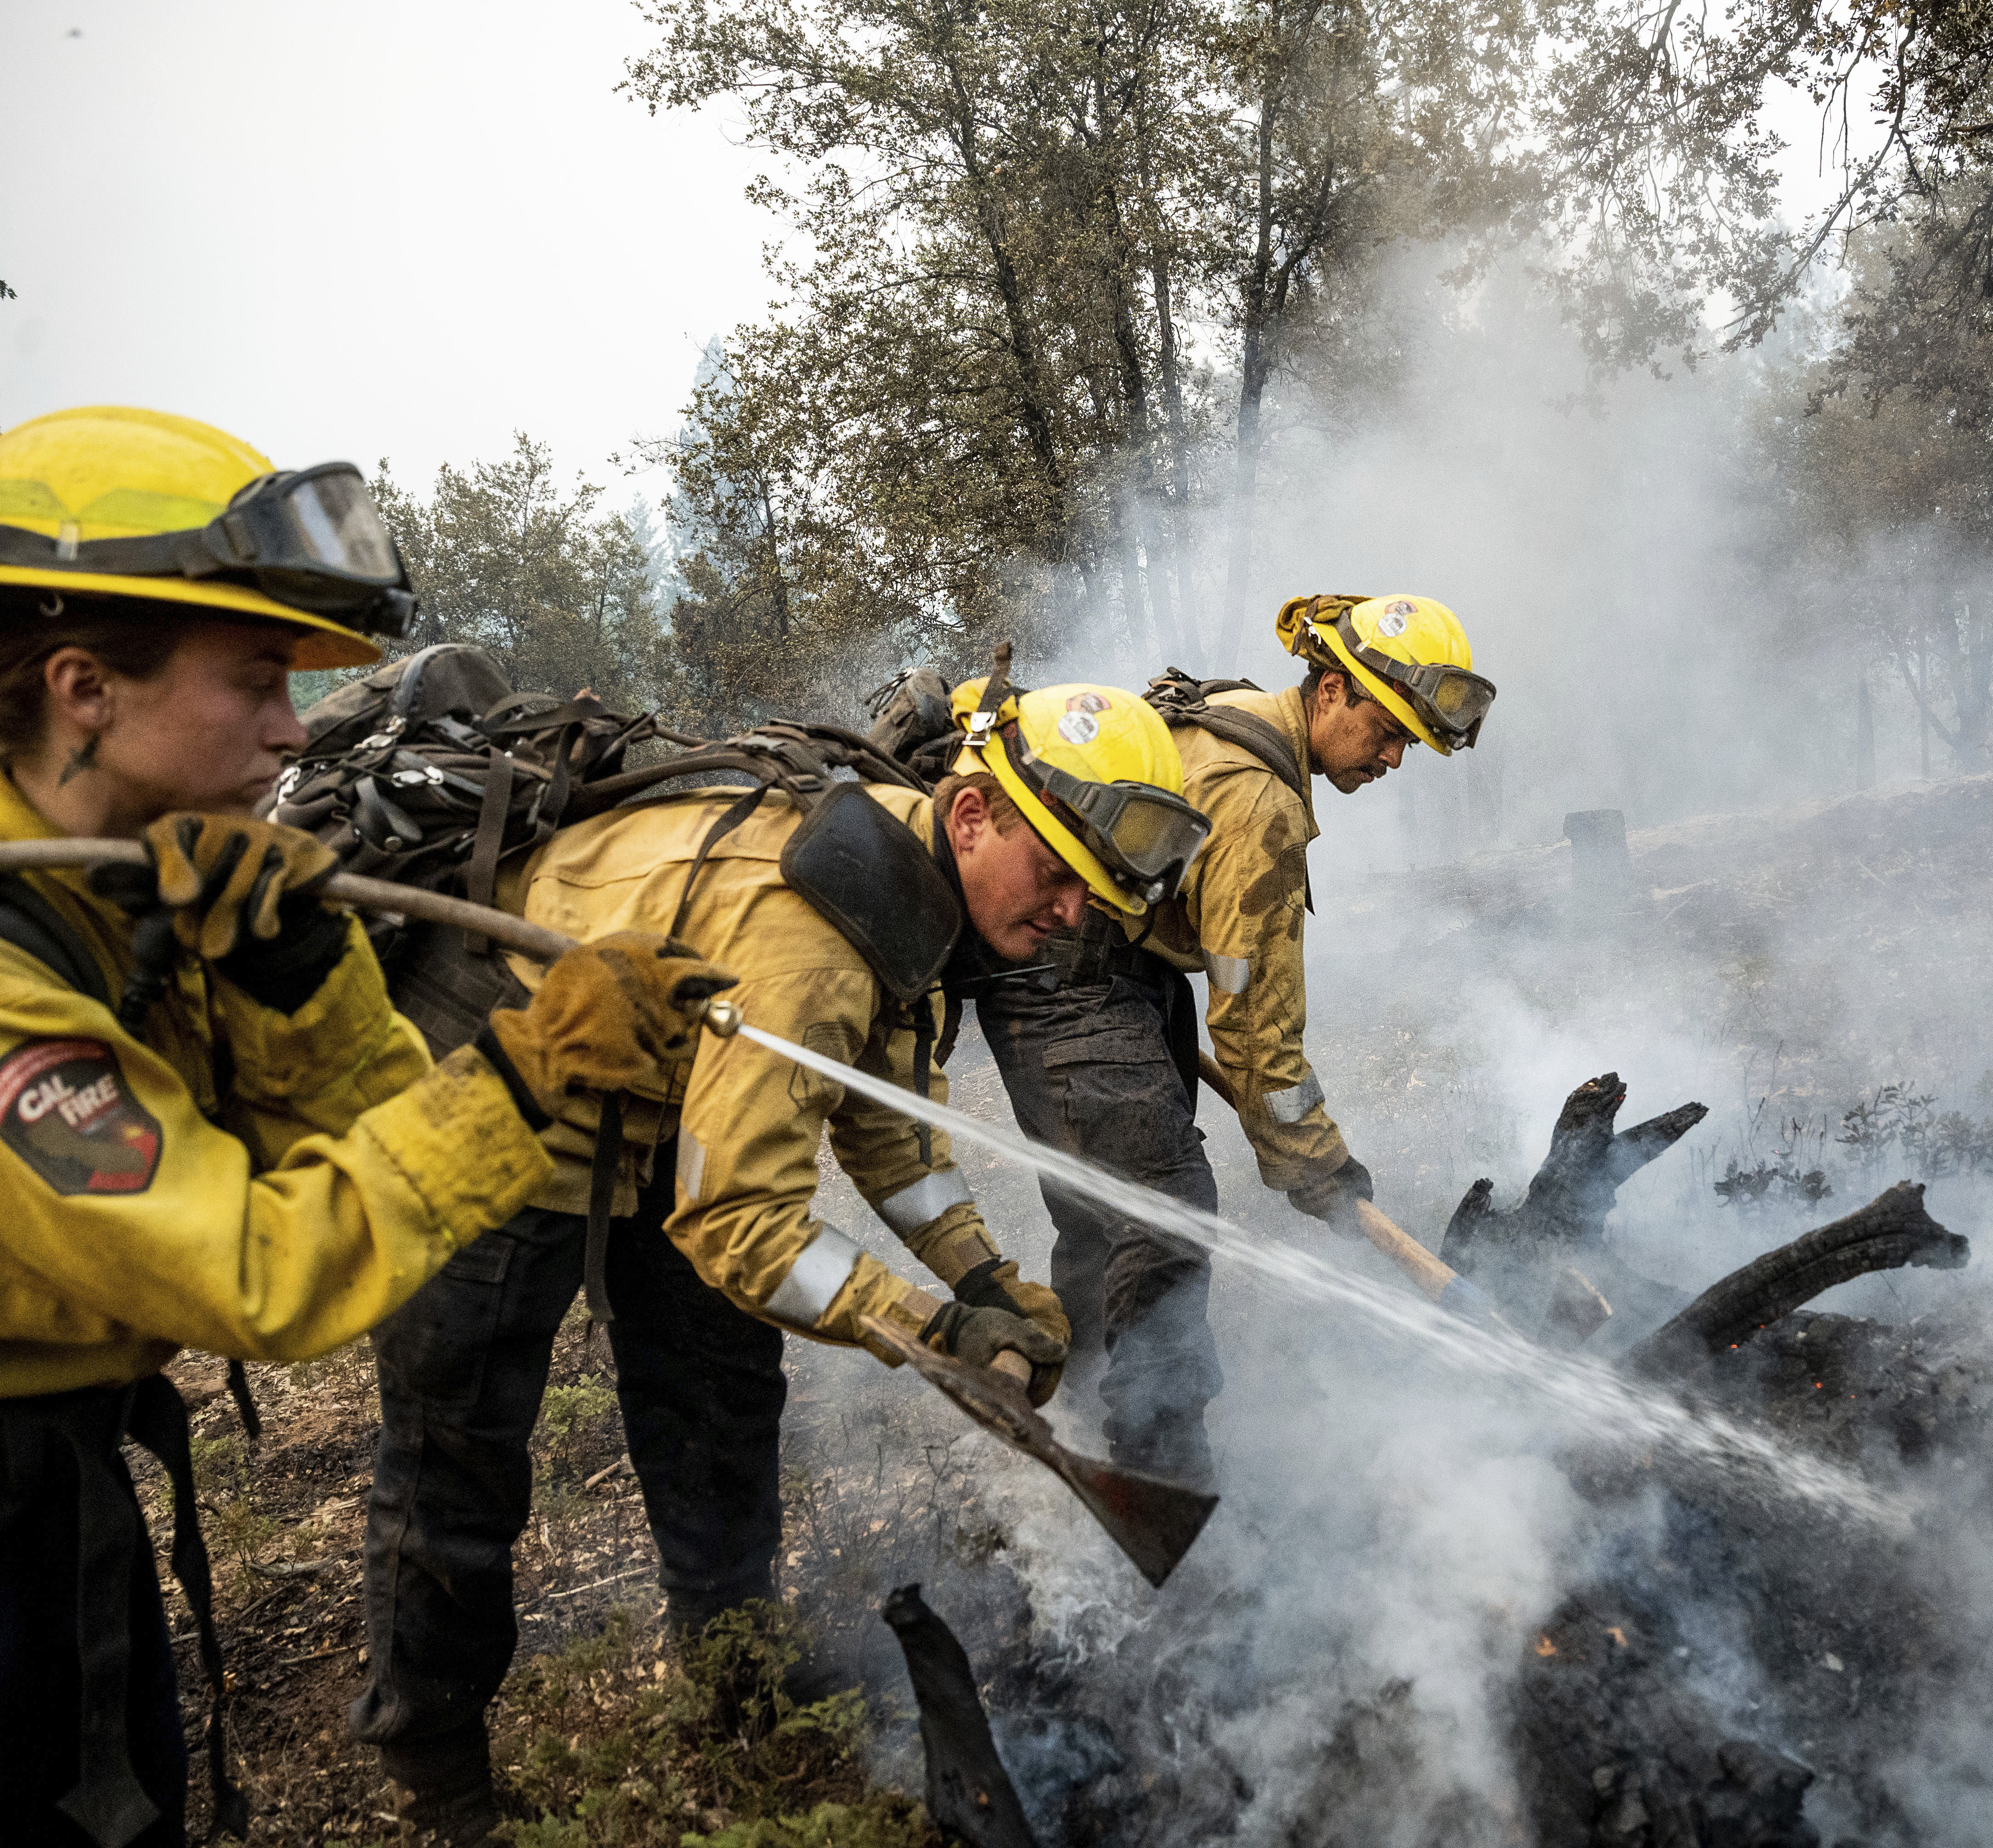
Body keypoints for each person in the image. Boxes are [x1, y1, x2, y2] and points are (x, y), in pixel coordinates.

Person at [0, 405, 736, 1848]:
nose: (294, 727)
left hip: (64, 1502)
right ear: (85, 684)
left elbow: (389, 1130)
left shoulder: (104, 892)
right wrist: (528, 1080)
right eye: (261, 678)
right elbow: (260, 1274)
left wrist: (295, 978)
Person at [352, 667, 1210, 1844]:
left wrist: (984, 1278)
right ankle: (436, 1759)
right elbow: (739, 1222)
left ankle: (732, 1666)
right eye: (1057, 871)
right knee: (465, 1432)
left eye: (1095, 893)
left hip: (655, 1083)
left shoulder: (910, 894)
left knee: (718, 1386)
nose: (1071, 912)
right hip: (493, 1058)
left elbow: (884, 1124)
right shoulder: (810, 931)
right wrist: (928, 1326)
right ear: (972, 814)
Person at [970, 594, 1494, 1485]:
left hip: (1107, 967)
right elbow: (1255, 1024)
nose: (1396, 756)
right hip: (1077, 973)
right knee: (1167, 1207)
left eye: (1413, 742)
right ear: (1331, 690)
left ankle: (1077, 1423)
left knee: (1107, 1214)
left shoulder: (1242, 713)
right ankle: (1161, 1470)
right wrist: (1317, 1165)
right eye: (1388, 729)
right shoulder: (1263, 804)